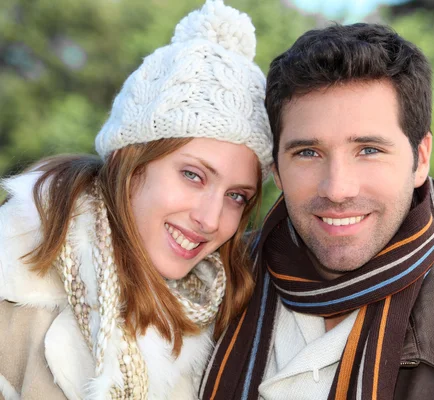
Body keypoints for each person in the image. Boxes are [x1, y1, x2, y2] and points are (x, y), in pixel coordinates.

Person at [199, 23, 434, 400]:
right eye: (308, 153)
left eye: (369, 150)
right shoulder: (204, 289)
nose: (338, 189)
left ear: (420, 158)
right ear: (276, 168)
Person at [0, 1, 272, 399]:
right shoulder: (15, 273)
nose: (211, 219)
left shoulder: (228, 315)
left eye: (236, 196)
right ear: (131, 164)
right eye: (193, 175)